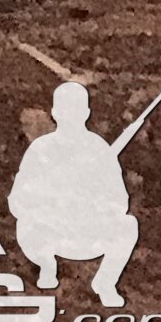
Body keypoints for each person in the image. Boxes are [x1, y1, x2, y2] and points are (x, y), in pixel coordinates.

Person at [10, 81, 141, 307]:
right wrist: (51, 200)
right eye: (65, 109)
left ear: (86, 113)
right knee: (27, 224)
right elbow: (17, 200)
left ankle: (106, 283)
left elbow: (119, 201)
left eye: (76, 109)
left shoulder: (99, 149)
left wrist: (93, 202)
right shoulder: (41, 150)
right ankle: (47, 266)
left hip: (87, 231)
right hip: (51, 231)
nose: (70, 115)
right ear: (54, 113)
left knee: (128, 225)